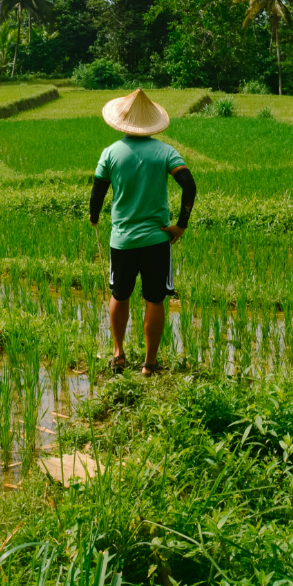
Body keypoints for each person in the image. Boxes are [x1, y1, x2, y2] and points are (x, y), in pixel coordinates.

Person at [89, 88, 197, 376]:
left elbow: (98, 190)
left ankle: (119, 354)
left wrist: (94, 217)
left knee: (119, 295)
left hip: (122, 241)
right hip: (156, 241)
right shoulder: (165, 151)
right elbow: (189, 185)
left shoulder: (110, 152)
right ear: (151, 122)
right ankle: (149, 364)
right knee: (155, 299)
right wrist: (181, 225)